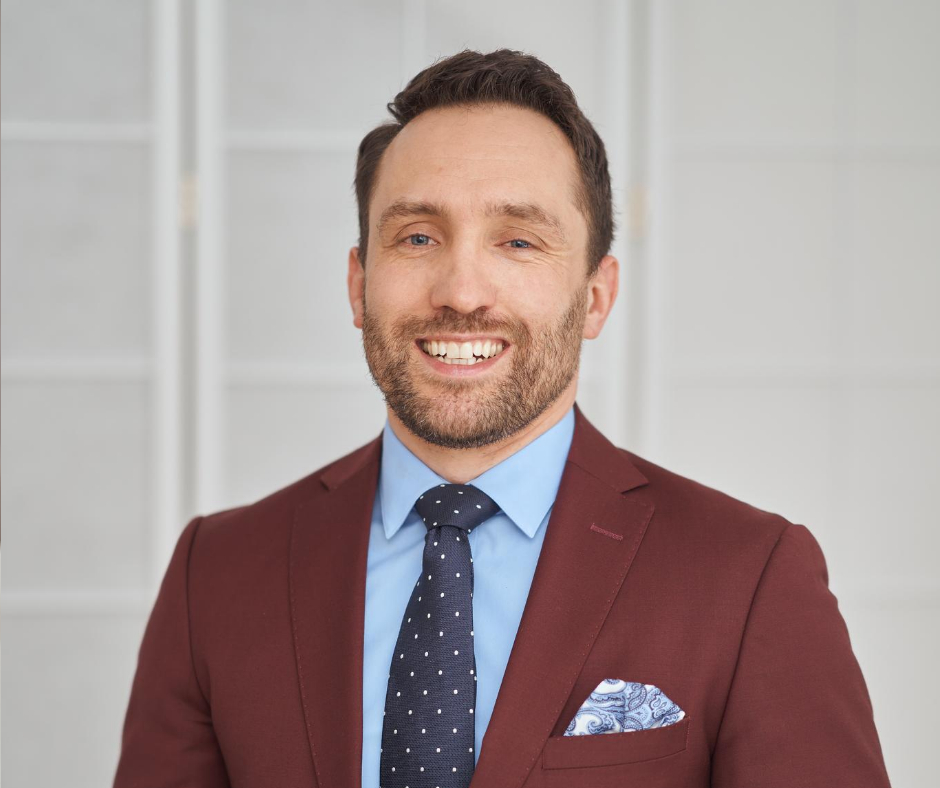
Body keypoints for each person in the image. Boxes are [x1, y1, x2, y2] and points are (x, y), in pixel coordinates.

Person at [113, 49, 891, 788]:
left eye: (517, 241)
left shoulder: (748, 578)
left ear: (596, 296)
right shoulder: (215, 576)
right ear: (358, 284)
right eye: (418, 237)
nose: (461, 291)